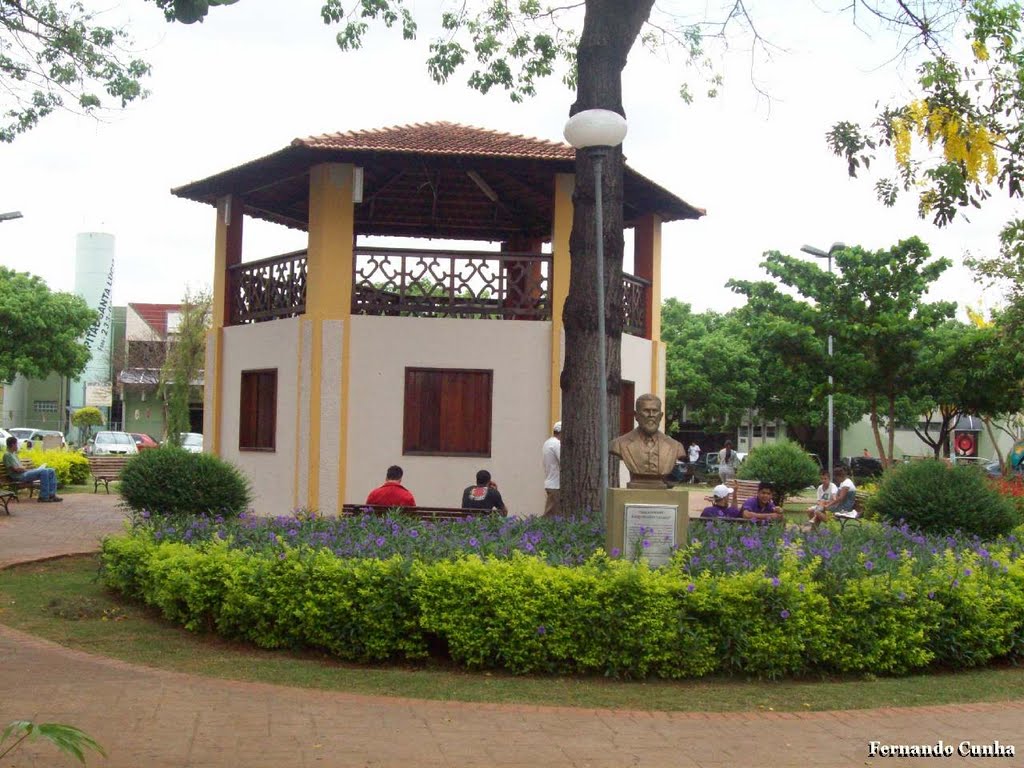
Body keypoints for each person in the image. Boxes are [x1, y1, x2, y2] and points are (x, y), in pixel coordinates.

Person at [608, 393, 686, 489]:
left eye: (655, 411)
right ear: (636, 416)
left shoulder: (675, 446)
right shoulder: (619, 444)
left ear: (661, 416)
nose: (651, 415)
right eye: (646, 411)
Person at [3, 436, 61, 502]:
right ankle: (43, 497)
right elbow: (15, 469)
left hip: (24, 473)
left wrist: (26, 469)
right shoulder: (7, 455)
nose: (18, 445)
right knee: (44, 471)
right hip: (19, 476)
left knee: (51, 470)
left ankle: (52, 495)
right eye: (17, 444)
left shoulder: (14, 454)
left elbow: (20, 468)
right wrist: (23, 469)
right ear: (13, 445)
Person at [541, 421, 561, 517]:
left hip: (550, 481)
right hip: (556, 484)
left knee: (552, 511)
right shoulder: (557, 444)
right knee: (551, 513)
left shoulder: (547, 442)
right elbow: (563, 460)